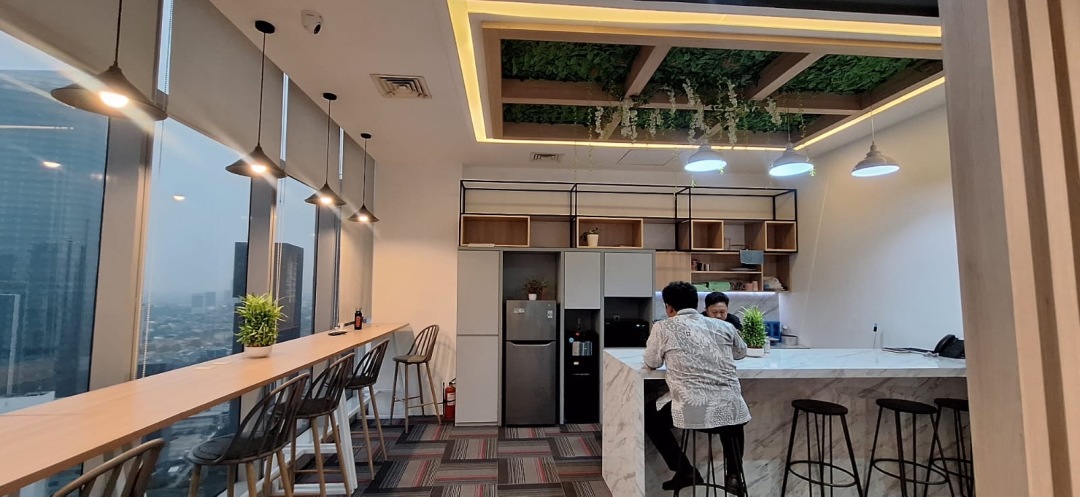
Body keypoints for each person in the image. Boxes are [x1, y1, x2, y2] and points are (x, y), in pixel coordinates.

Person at [644, 282, 750, 493]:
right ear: (696, 304)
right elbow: (740, 353)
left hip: (692, 409)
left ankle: (684, 469)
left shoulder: (663, 327)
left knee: (649, 415)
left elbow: (652, 361)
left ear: (669, 308)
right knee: (730, 414)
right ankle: (734, 475)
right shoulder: (724, 326)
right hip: (732, 412)